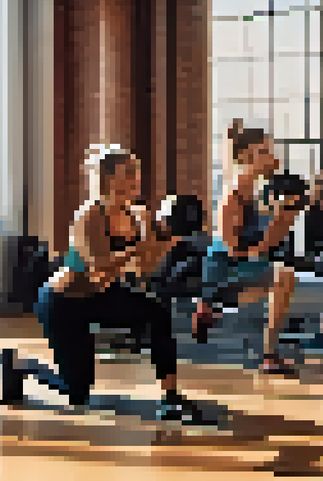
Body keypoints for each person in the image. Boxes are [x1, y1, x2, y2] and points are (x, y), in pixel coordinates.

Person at [33, 145, 207, 421]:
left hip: (103, 295)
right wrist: (138, 248)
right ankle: (22, 367)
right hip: (64, 302)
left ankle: (171, 396)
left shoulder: (135, 216)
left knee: (157, 313)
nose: (136, 179)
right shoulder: (89, 215)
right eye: (128, 173)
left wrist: (170, 241)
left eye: (136, 173)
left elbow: (142, 270)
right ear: (109, 178)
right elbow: (98, 267)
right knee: (76, 393)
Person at [201, 121, 301, 375]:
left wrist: (282, 220)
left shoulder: (254, 190)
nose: (273, 157)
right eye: (266, 152)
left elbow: (263, 245)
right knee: (284, 276)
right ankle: (267, 353)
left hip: (243, 264)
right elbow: (233, 249)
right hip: (223, 271)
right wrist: (278, 224)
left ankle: (267, 349)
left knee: (285, 273)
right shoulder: (234, 194)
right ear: (248, 156)